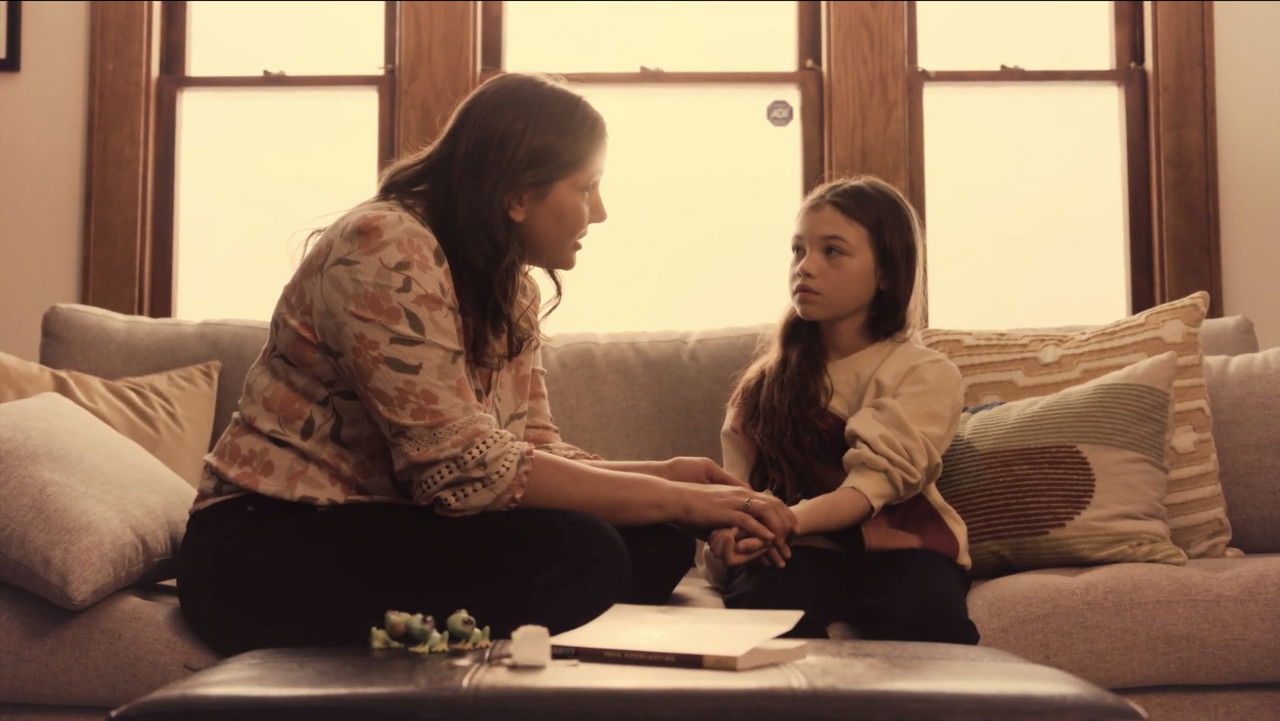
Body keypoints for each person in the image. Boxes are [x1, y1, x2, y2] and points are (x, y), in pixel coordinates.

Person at [177, 72, 795, 657]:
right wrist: (675, 498)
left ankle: (467, 638)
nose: (601, 211)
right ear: (519, 195)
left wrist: (670, 479)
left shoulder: (509, 286)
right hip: (269, 540)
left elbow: (529, 449)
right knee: (588, 552)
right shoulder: (383, 245)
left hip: (395, 525)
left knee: (656, 541)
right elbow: (456, 468)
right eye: (586, 188)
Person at [706, 176, 979, 644]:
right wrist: (731, 534)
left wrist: (785, 521)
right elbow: (738, 492)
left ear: (887, 273)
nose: (805, 267)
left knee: (925, 608)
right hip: (791, 550)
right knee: (762, 604)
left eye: (832, 251)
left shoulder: (924, 373)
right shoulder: (762, 385)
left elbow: (868, 489)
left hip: (902, 551)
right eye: (798, 250)